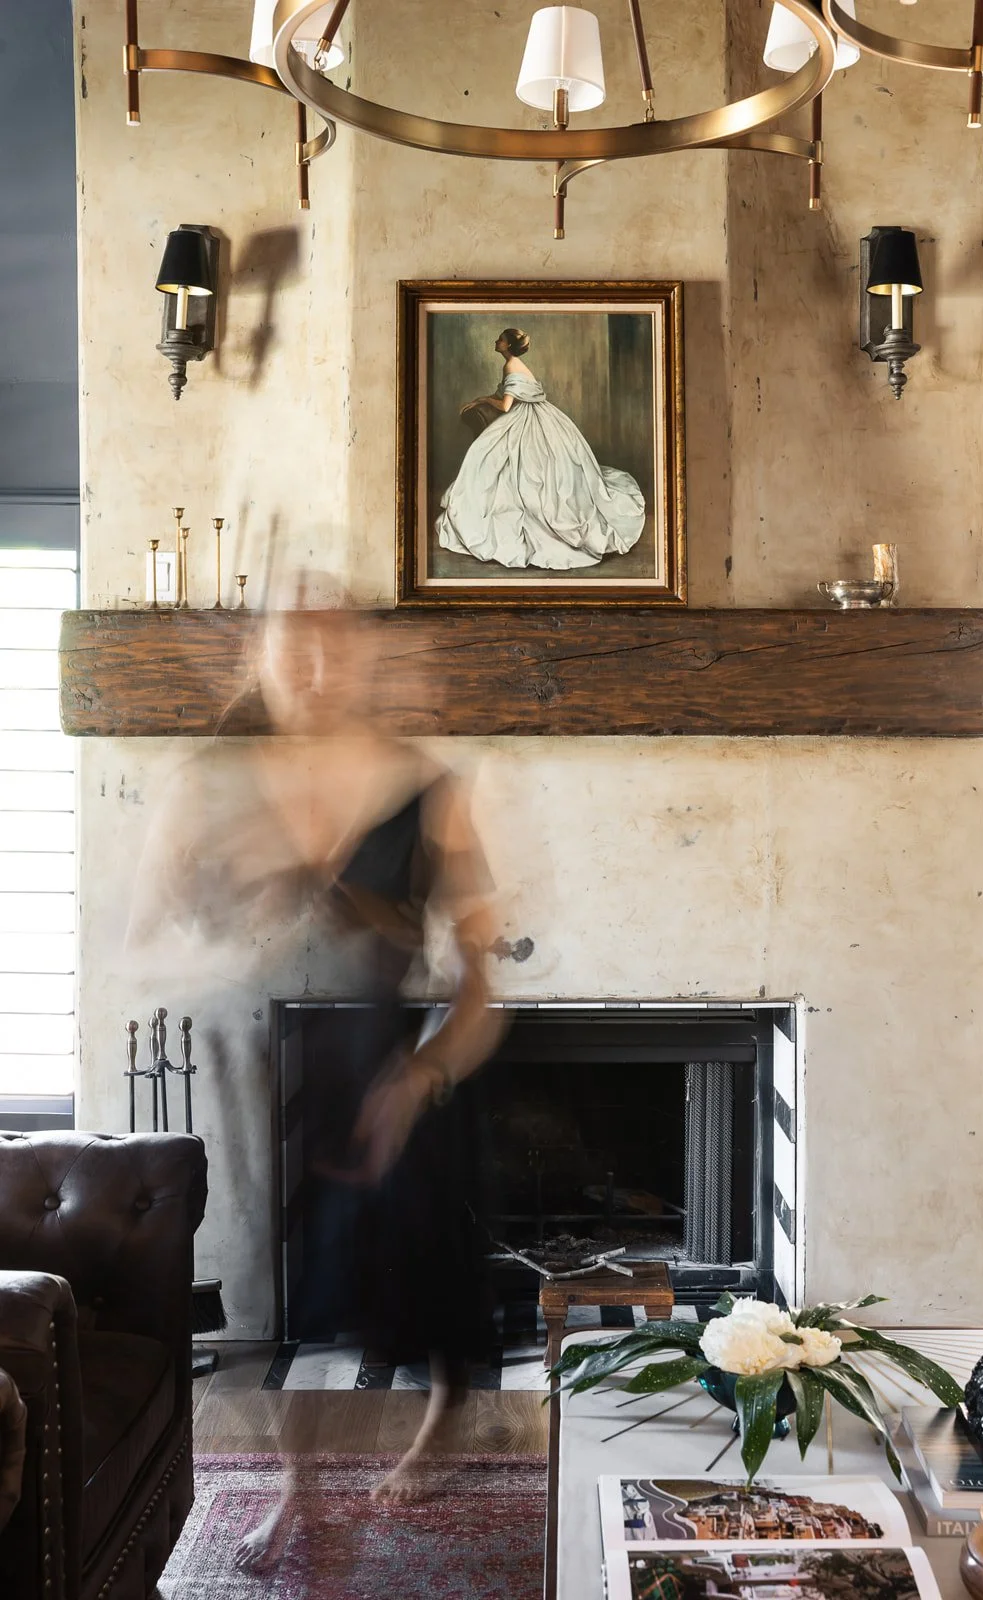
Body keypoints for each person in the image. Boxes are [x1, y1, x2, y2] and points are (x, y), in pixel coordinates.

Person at [128, 597, 505, 1570]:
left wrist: (421, 1075)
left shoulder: (428, 786)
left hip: (384, 1071)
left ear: (363, 660)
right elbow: (149, 937)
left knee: (419, 1276)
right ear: (261, 659)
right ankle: (296, 1493)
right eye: (293, 648)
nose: (314, 667)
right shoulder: (214, 782)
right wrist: (223, 904)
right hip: (262, 1081)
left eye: (334, 647)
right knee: (281, 1299)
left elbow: (483, 984)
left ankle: (441, 1427)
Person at [436, 327, 646, 570]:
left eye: (500, 339)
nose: (496, 341)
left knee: (505, 464)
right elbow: (505, 392)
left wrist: (483, 401)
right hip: (537, 414)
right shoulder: (514, 365)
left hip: (527, 419)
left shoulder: (511, 365)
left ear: (507, 345)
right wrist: (482, 398)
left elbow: (505, 406)